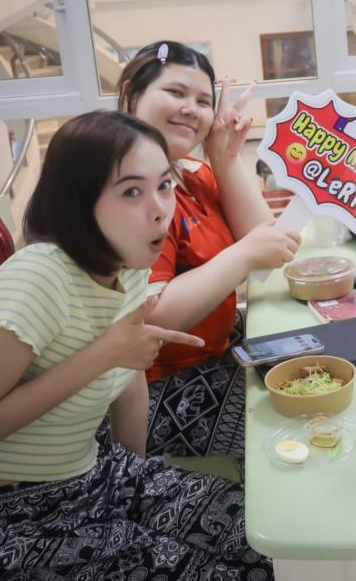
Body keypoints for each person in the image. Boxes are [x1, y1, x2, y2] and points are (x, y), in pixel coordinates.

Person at [0, 111, 273, 579]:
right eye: (131, 192)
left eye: (164, 185)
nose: (159, 209)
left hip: (97, 477)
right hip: (8, 519)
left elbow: (130, 384)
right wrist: (105, 353)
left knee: (268, 536)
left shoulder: (127, 266)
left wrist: (135, 484)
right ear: (78, 203)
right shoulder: (37, 279)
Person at [116, 41, 301, 458]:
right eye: (175, 93)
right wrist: (243, 255)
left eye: (203, 101)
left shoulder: (191, 172)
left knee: (326, 362)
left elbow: (267, 241)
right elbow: (151, 318)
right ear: (131, 94)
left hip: (216, 354)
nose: (191, 109)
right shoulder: (128, 189)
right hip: (157, 391)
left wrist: (224, 156)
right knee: (302, 415)